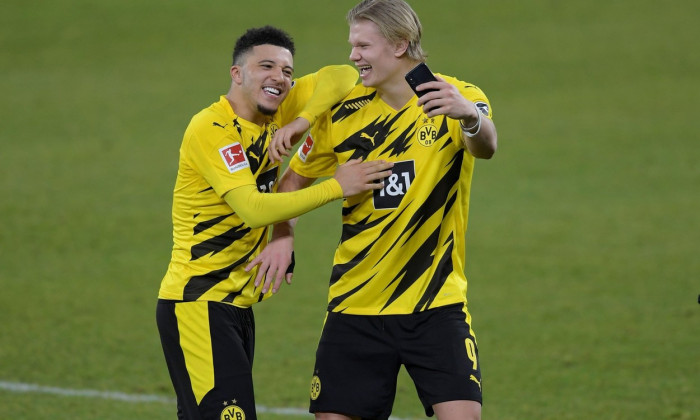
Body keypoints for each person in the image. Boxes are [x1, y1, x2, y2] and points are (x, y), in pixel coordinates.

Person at [257, 1, 498, 419]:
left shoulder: (454, 98)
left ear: (400, 44)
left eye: (364, 46)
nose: (353, 56)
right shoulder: (343, 113)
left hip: (435, 304)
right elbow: (293, 179)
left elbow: (486, 146)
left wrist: (469, 118)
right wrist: (283, 235)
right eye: (353, 45)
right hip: (356, 305)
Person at [155, 25, 393, 420]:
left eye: (287, 71)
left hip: (236, 306)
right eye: (266, 66)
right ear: (237, 74)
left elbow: (342, 75)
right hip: (197, 303)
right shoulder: (211, 128)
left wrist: (302, 121)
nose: (279, 78)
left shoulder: (277, 110)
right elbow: (252, 208)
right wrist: (337, 186)